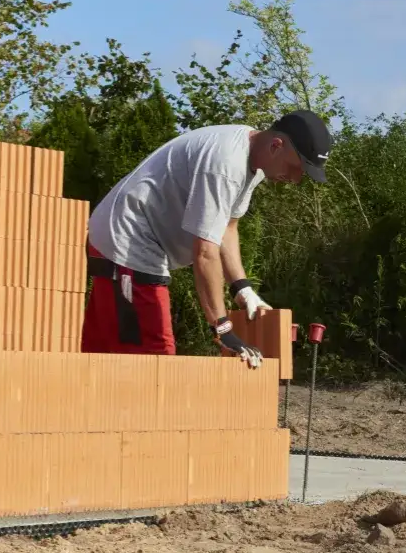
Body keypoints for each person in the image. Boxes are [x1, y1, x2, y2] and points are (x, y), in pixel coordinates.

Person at [81, 109, 332, 367]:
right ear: (276, 146)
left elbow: (228, 227)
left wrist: (242, 288)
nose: (295, 179)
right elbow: (205, 252)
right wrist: (222, 328)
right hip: (129, 240)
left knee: (102, 356)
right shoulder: (224, 165)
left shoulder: (254, 163)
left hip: (121, 235)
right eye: (295, 168)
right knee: (154, 359)